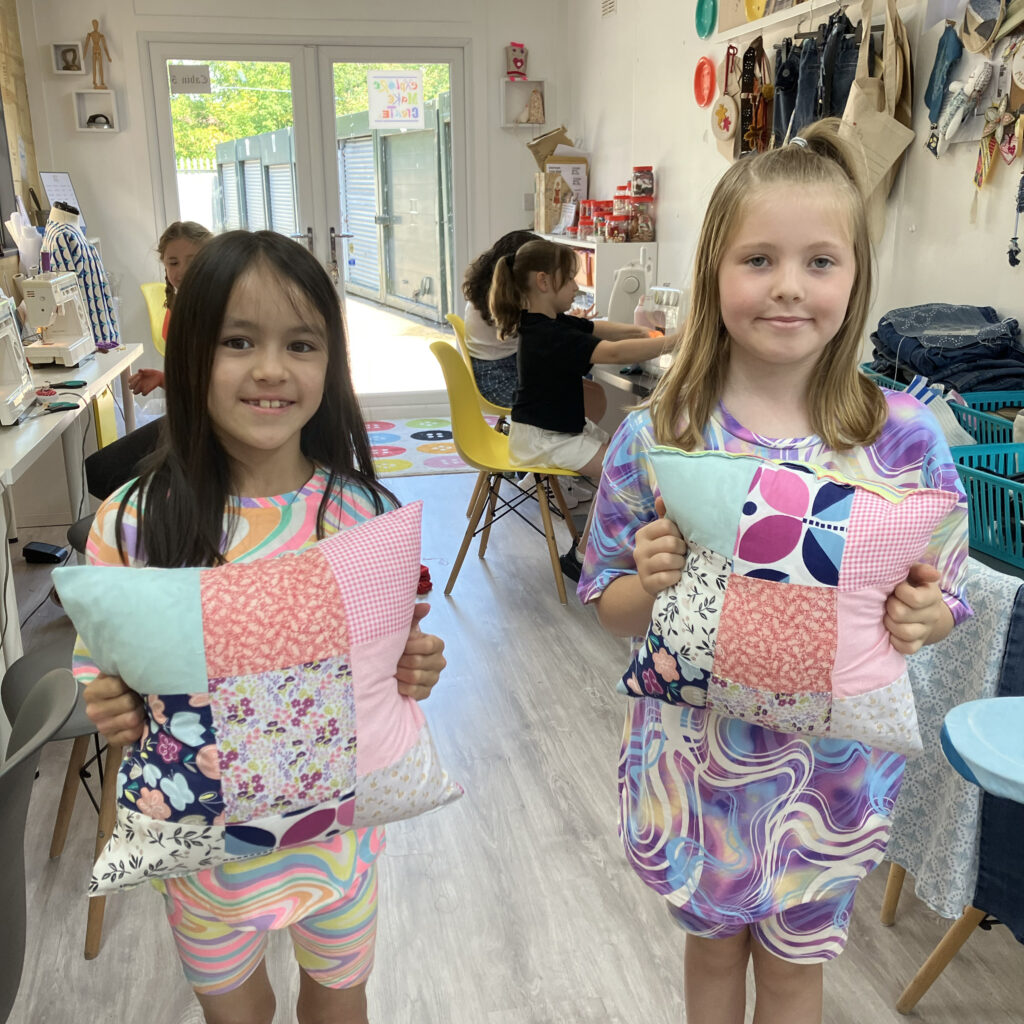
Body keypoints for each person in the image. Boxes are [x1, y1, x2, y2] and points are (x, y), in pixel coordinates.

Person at [577, 119, 972, 1024]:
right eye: (758, 259)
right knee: (711, 956)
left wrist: (925, 617)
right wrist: (652, 579)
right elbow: (610, 605)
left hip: (831, 776)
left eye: (820, 262)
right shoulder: (662, 435)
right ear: (715, 272)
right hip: (700, 772)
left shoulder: (902, 437)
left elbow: (941, 590)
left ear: (856, 279)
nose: (788, 287)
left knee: (795, 971)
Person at [77, 230, 447, 1024]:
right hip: (205, 861)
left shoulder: (363, 512)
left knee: (340, 995)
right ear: (189, 355)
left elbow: (393, 656)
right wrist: (107, 702)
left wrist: (415, 667)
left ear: (330, 362)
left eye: (301, 344)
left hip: (336, 844)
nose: (272, 369)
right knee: (235, 1011)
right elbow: (99, 666)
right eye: (238, 342)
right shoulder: (136, 522)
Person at [489, 236, 670, 575]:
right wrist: (673, 342)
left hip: (556, 430)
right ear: (544, 281)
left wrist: (640, 330)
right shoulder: (546, 334)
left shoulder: (548, 322)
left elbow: (598, 327)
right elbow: (611, 352)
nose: (575, 286)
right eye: (570, 277)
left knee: (628, 458)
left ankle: (594, 548)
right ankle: (585, 554)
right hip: (545, 438)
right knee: (625, 468)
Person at [83, 221, 212, 502]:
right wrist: (164, 379)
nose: (181, 271)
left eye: (192, 261)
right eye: (173, 263)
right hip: (190, 419)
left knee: (101, 473)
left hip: (207, 429)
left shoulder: (211, 311)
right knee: (97, 472)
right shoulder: (179, 307)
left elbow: (210, 388)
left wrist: (168, 381)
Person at [462, 230, 607, 430]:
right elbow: (539, 330)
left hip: (493, 372)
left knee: (588, 389)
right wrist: (571, 321)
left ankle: (533, 434)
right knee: (591, 396)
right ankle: (550, 441)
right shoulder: (507, 302)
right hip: (499, 380)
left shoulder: (487, 292)